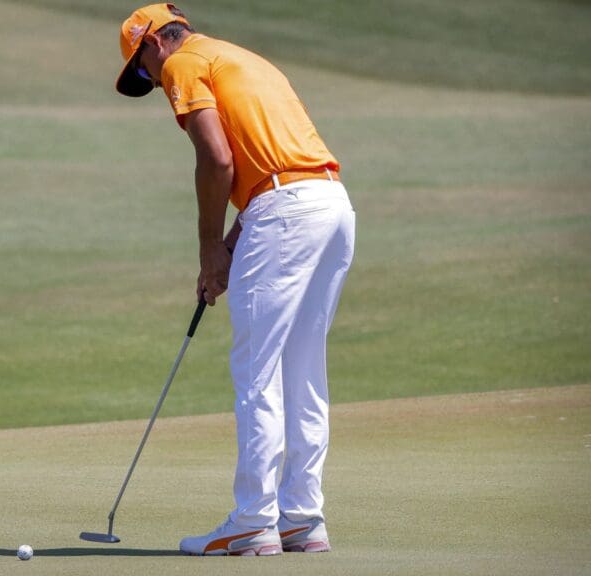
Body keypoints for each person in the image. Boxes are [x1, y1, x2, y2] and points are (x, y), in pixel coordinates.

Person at [114, 4, 356, 556]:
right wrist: (230, 243)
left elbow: (218, 159)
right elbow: (273, 162)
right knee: (303, 367)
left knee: (257, 370)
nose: (153, 84)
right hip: (330, 204)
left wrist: (207, 248)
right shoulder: (243, 59)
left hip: (284, 211)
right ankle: (301, 517)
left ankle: (252, 521)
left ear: (154, 45)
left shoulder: (183, 64)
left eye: (144, 73)